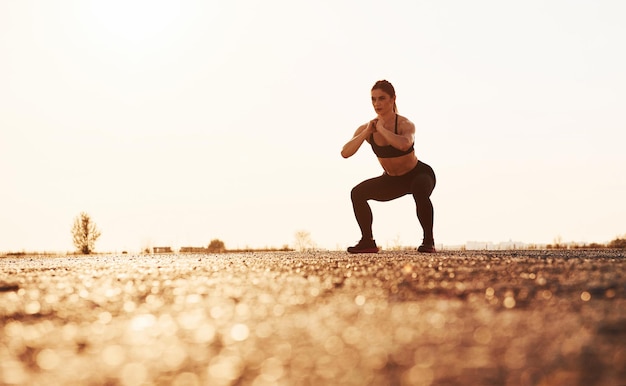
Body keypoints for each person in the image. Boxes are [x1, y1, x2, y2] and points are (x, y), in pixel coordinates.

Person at [341, 80, 437, 253]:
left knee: (418, 188)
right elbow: (345, 153)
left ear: (393, 99)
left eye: (382, 98)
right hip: (392, 180)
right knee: (357, 193)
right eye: (373, 99)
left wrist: (382, 129)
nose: (377, 104)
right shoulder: (367, 128)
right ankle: (367, 241)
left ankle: (428, 241)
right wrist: (366, 133)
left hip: (418, 174)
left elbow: (404, 145)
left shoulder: (405, 124)